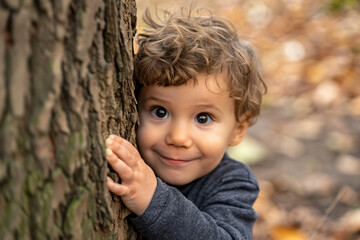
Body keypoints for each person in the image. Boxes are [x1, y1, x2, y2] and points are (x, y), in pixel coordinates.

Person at [105, 8, 267, 240]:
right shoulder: (128, 163)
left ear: (238, 129)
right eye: (160, 112)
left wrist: (153, 199)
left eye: (203, 118)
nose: (178, 137)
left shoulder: (233, 184)